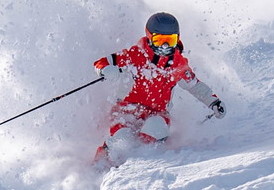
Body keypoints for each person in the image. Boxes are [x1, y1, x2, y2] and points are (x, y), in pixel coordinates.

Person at [92, 12, 225, 165]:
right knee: (122, 140)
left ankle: (141, 166)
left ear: (178, 38)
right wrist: (105, 69)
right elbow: (102, 62)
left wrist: (213, 102)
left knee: (154, 132)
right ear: (149, 37)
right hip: (126, 110)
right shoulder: (136, 55)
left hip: (157, 113)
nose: (165, 46)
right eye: (160, 40)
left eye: (170, 40)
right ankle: (101, 163)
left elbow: (195, 86)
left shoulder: (178, 64)